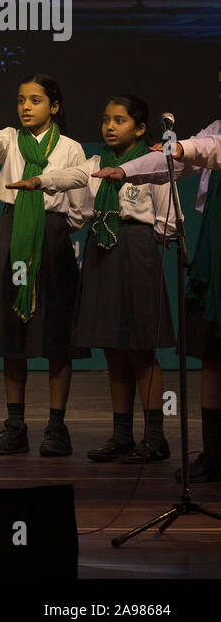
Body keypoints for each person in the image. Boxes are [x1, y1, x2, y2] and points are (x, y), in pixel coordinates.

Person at [0, 73, 89, 455]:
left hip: (52, 241)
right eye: (22, 99)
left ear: (54, 107)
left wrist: (49, 225)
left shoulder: (72, 148)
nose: (26, 106)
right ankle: (15, 425)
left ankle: (57, 427)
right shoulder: (10, 139)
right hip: (12, 240)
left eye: (36, 100)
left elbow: (79, 206)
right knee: (14, 333)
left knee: (57, 336)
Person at [101, 70, 221, 481]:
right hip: (215, 242)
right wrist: (126, 171)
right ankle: (213, 453)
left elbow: (208, 150)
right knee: (212, 351)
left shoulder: (211, 139)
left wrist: (183, 146)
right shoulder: (215, 128)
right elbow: (170, 159)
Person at [72, 95, 176, 463]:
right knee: (113, 350)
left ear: (140, 127)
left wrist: (147, 251)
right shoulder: (96, 164)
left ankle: (156, 437)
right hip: (103, 250)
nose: (110, 127)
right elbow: (84, 209)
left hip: (138, 250)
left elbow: (168, 219)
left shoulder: (151, 163)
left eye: (119, 120)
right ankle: (121, 435)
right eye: (105, 120)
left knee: (141, 349)